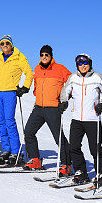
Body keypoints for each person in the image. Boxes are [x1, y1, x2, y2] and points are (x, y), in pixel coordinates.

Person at [23, 45, 72, 173]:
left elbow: (72, 83)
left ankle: (66, 165)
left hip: (53, 108)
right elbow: (36, 85)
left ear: (51, 56)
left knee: (58, 137)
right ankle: (35, 160)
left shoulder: (60, 69)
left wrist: (65, 99)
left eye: (47, 55)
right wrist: (36, 92)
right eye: (42, 55)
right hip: (39, 107)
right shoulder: (37, 69)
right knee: (28, 132)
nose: (44, 57)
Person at [63, 53, 102, 185]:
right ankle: (81, 172)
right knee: (74, 147)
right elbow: (65, 91)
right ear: (77, 65)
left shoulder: (97, 77)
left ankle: (101, 173)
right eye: (80, 63)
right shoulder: (73, 78)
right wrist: (64, 101)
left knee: (95, 148)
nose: (83, 66)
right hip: (77, 118)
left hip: (93, 119)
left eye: (86, 63)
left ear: (90, 64)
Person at [0, 35, 33, 164]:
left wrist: (25, 87)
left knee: (9, 121)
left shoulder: (19, 57)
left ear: (11, 45)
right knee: (0, 121)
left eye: (7, 43)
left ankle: (16, 152)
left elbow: (29, 73)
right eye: (2, 43)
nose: (5, 45)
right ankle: (6, 150)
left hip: (10, 92)